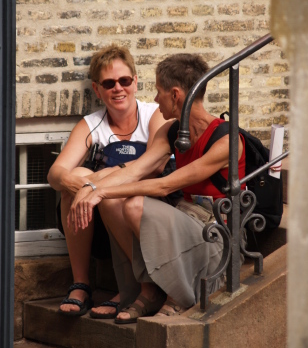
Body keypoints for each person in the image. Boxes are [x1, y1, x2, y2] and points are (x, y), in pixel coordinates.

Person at [68, 53, 246, 323]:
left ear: (175, 95)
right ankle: (147, 291)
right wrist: (92, 186)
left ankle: (177, 297)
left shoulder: (227, 139)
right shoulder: (172, 132)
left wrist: (100, 190)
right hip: (185, 216)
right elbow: (136, 169)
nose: (155, 99)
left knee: (135, 202)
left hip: (217, 230)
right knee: (118, 201)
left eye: (159, 92)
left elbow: (165, 185)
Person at [47, 44, 166, 317]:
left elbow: (156, 165)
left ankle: (136, 286)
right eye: (109, 83)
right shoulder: (92, 124)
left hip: (143, 210)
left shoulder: (153, 115)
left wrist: (99, 184)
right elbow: (55, 173)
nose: (118, 88)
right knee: (73, 179)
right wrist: (78, 184)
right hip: (97, 224)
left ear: (136, 82)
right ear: (97, 89)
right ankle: (81, 284)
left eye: (124, 80)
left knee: (107, 194)